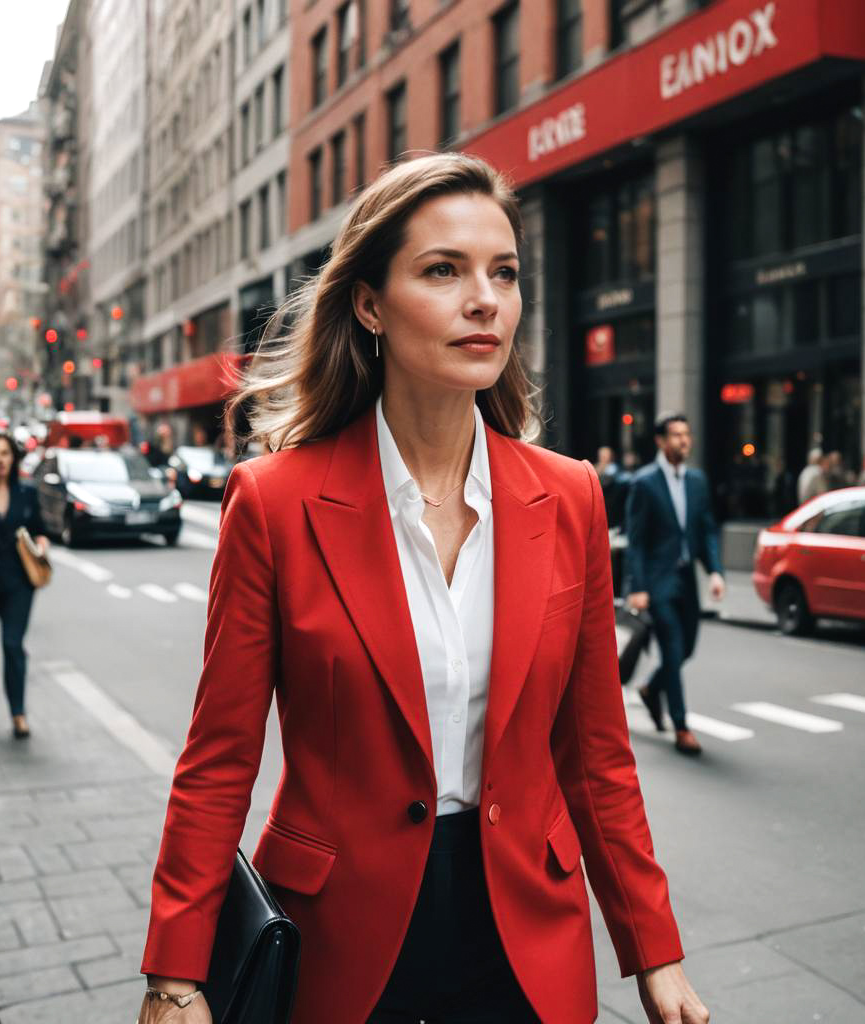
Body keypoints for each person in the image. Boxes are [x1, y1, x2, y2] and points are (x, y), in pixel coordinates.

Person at [137, 155, 709, 1024]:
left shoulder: (570, 498)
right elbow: (220, 761)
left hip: (526, 938)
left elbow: (596, 756)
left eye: (504, 273)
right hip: (341, 942)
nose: (485, 299)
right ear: (369, 304)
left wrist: (653, 950)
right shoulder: (275, 502)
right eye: (444, 270)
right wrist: (176, 974)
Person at [625, 414, 724, 757]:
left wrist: (715, 571)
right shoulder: (645, 482)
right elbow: (635, 541)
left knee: (688, 648)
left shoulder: (697, 481)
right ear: (661, 441)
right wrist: (638, 586)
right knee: (671, 647)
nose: (684, 441)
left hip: (687, 579)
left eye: (687, 434)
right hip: (658, 581)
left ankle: (652, 688)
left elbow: (706, 528)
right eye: (677, 435)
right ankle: (681, 726)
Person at [0, 431, 50, 739]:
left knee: (12, 645)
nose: (0, 460)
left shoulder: (26, 492)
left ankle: (18, 713)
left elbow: (40, 530)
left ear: (13, 457)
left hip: (18, 583)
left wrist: (42, 546)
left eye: (5, 454)